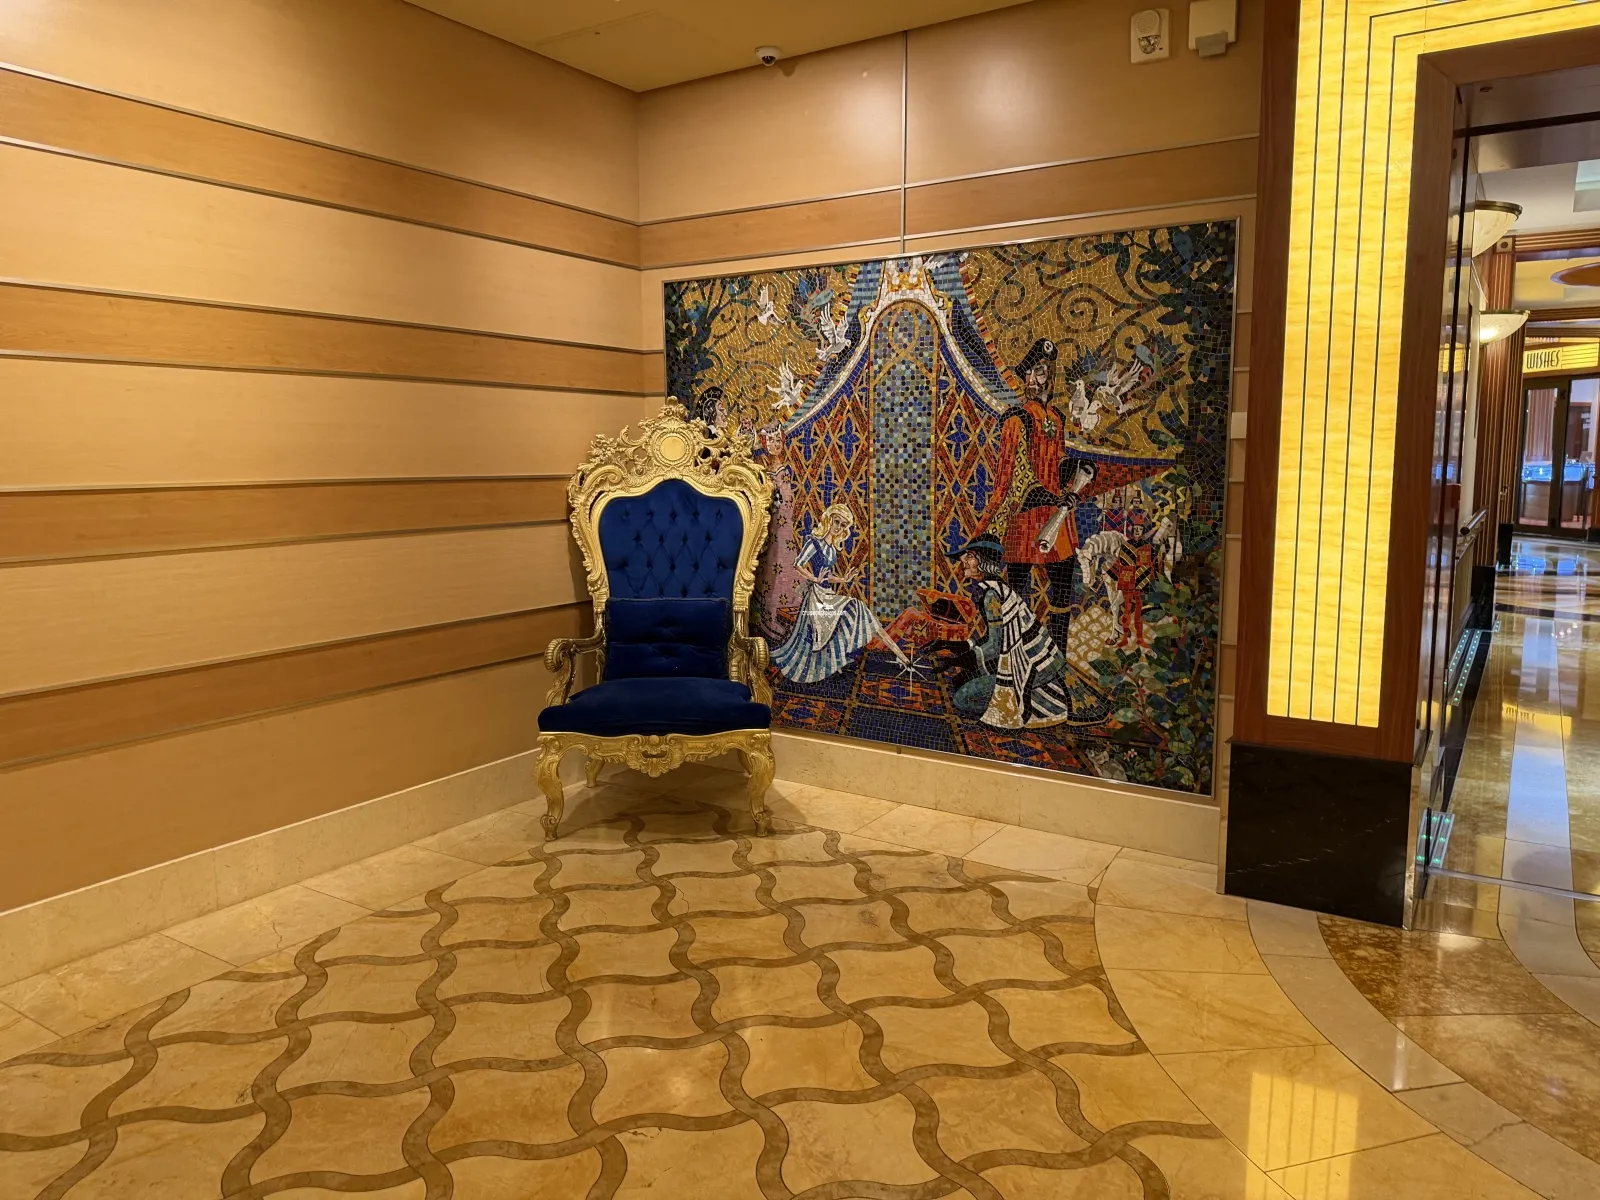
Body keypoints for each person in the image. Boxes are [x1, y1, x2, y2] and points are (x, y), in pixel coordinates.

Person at [979, 338, 1096, 647]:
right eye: (1028, 373)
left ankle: (1057, 657)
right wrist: (1052, 498)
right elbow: (1015, 478)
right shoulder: (1016, 420)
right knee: (1018, 596)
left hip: (1058, 520)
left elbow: (1057, 462)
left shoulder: (1056, 418)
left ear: (1051, 374)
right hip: (1024, 519)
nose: (1032, 380)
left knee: (1062, 592)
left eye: (1040, 372)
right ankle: (1015, 658)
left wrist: (1078, 470)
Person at [926, 534, 1109, 729]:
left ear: (984, 561)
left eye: (970, 556)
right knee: (960, 680)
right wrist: (951, 645)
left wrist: (957, 660)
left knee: (962, 698)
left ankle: (1026, 704)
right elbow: (995, 637)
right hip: (1028, 661)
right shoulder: (997, 588)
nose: (963, 561)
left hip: (1033, 669)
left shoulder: (992, 595)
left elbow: (995, 646)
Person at [771, 503, 909, 684]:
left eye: (843, 525)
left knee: (858, 609)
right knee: (854, 608)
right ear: (829, 519)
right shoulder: (814, 542)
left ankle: (898, 654)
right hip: (816, 596)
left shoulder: (832, 549)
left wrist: (843, 579)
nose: (838, 527)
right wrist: (814, 578)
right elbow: (798, 564)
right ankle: (897, 655)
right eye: (837, 521)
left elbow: (827, 576)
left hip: (827, 594)